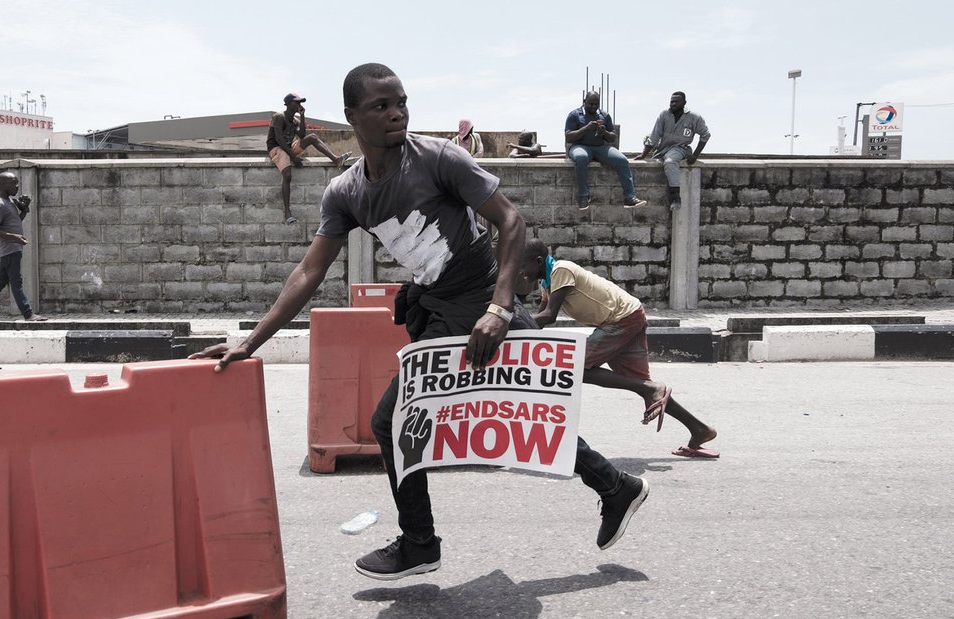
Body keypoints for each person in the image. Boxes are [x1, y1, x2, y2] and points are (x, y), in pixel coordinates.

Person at [193, 63, 649, 582]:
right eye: (380, 106)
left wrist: (499, 310)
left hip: (483, 307)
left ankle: (424, 541)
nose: (396, 114)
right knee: (455, 417)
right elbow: (309, 271)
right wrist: (250, 343)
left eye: (401, 102)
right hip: (441, 313)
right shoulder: (346, 192)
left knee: (519, 414)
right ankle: (608, 489)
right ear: (351, 117)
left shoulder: (438, 158)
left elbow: (511, 221)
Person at [518, 239, 718, 458]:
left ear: (538, 262)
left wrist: (508, 323)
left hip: (621, 320)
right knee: (645, 388)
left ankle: (653, 390)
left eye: (523, 265)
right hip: (627, 316)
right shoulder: (547, 281)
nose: (520, 272)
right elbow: (540, 318)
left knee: (573, 368)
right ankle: (700, 430)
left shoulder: (560, 270)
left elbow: (549, 315)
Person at [267, 92, 352, 225]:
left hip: (288, 147)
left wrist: (302, 116)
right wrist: (293, 157)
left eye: (300, 103)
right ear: (289, 104)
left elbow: (301, 135)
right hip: (276, 148)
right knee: (287, 174)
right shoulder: (279, 117)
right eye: (297, 102)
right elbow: (278, 139)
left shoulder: (294, 120)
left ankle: (336, 159)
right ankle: (287, 212)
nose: (299, 105)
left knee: (312, 137)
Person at [0, 171, 46, 321]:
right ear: (3, 185)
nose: (17, 186)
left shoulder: (10, 202)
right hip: (10, 249)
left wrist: (25, 208)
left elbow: (16, 221)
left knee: (1, 282)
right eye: (14, 183)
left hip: (14, 247)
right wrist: (14, 237)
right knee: (16, 282)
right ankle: (28, 314)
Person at [564, 92, 646, 210]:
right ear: (584, 101)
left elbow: (612, 137)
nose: (593, 107)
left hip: (600, 147)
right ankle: (583, 197)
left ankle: (629, 197)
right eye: (591, 104)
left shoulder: (604, 115)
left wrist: (604, 132)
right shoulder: (574, 115)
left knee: (622, 160)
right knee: (581, 158)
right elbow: (568, 137)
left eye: (596, 104)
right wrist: (586, 128)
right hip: (579, 146)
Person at [635, 91, 710, 209]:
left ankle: (676, 196)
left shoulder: (694, 117)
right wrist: (644, 155)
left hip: (681, 148)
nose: (673, 104)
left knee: (670, 161)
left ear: (684, 103)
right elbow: (655, 135)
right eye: (671, 101)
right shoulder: (664, 115)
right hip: (663, 149)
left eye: (676, 102)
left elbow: (705, 135)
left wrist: (695, 155)